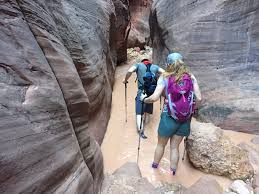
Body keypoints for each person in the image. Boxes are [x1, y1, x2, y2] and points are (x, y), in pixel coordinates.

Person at [140, 52, 202, 175]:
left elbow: (154, 98)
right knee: (175, 147)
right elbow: (199, 98)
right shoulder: (191, 77)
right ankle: (172, 172)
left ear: (168, 64)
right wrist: (193, 110)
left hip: (168, 117)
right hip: (185, 119)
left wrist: (143, 99)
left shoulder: (164, 77)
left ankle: (154, 168)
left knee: (161, 145)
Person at [123, 58, 165, 139]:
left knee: (139, 112)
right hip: (152, 92)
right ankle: (148, 125)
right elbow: (165, 73)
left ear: (142, 62)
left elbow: (130, 70)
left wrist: (125, 80)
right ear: (149, 62)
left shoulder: (138, 65)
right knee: (148, 108)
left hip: (142, 91)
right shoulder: (155, 67)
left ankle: (140, 130)